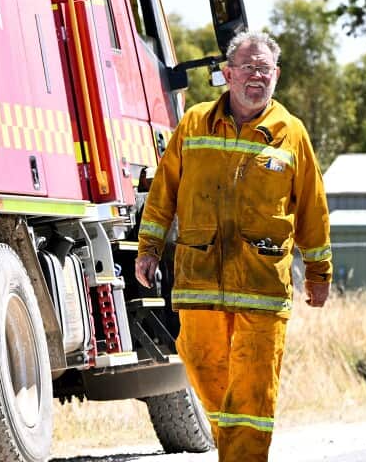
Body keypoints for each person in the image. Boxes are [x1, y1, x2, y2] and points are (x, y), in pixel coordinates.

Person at [135, 30, 332, 462]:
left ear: (276, 75)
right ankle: (235, 451)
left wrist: (319, 274)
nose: (256, 77)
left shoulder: (291, 133)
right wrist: (149, 247)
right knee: (205, 371)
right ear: (227, 74)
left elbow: (312, 209)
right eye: (248, 68)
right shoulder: (194, 124)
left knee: (253, 389)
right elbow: (164, 191)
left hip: (262, 287)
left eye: (264, 69)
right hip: (199, 281)